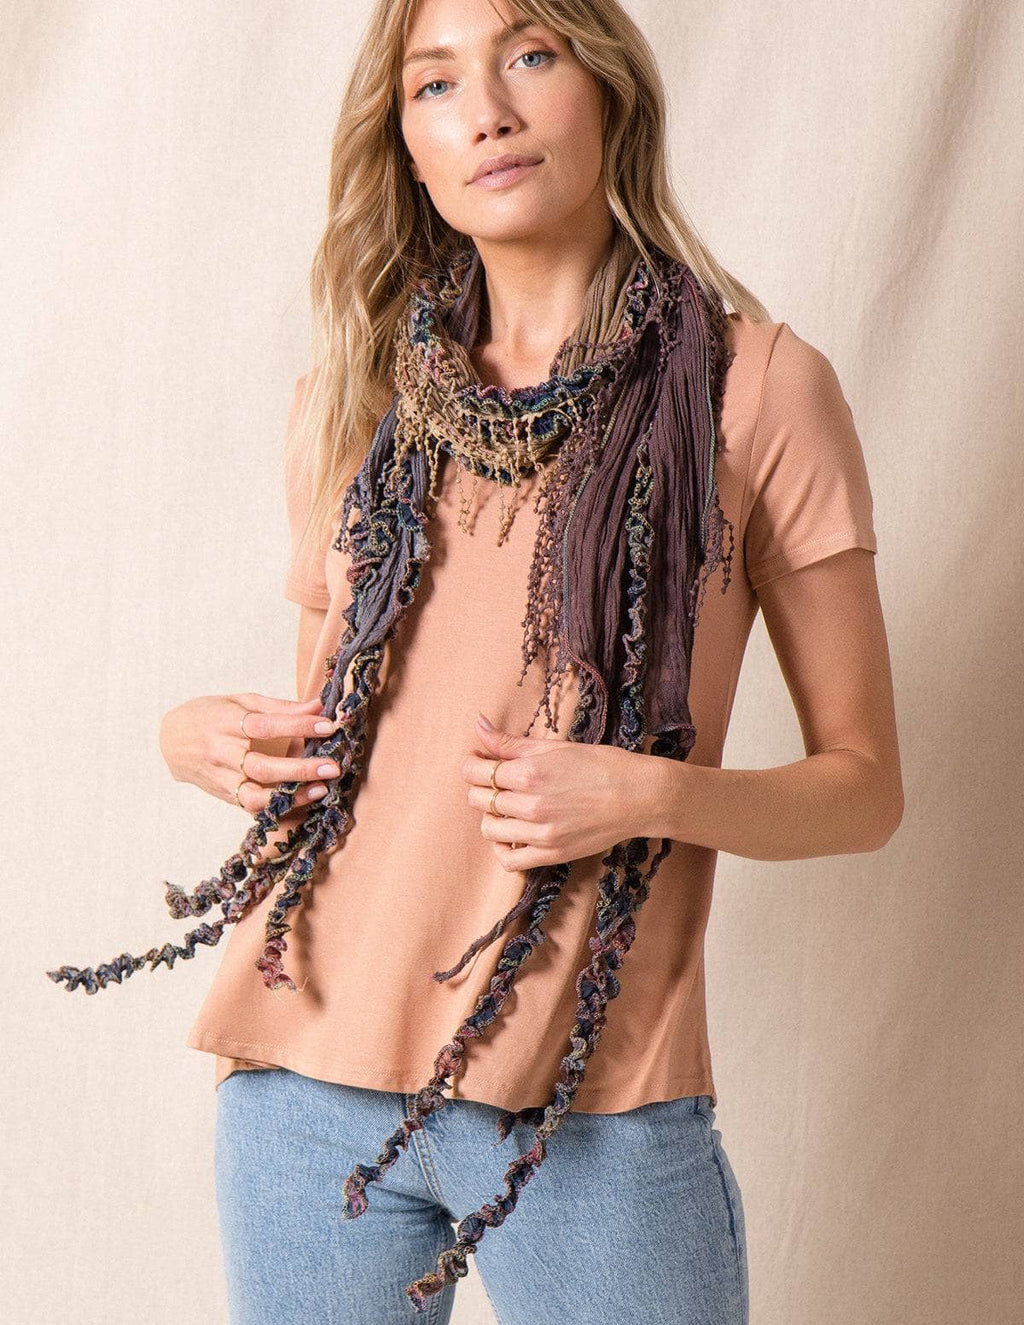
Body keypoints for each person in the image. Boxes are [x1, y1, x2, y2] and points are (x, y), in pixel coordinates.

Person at [101, 0, 903, 1320]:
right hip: (303, 1095)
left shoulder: (757, 390)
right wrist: (195, 740)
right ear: (406, 145)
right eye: (435, 84)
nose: (486, 110)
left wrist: (650, 794)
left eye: (529, 54)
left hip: (589, 1115)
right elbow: (323, 736)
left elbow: (865, 788)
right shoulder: (354, 395)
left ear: (608, 88)